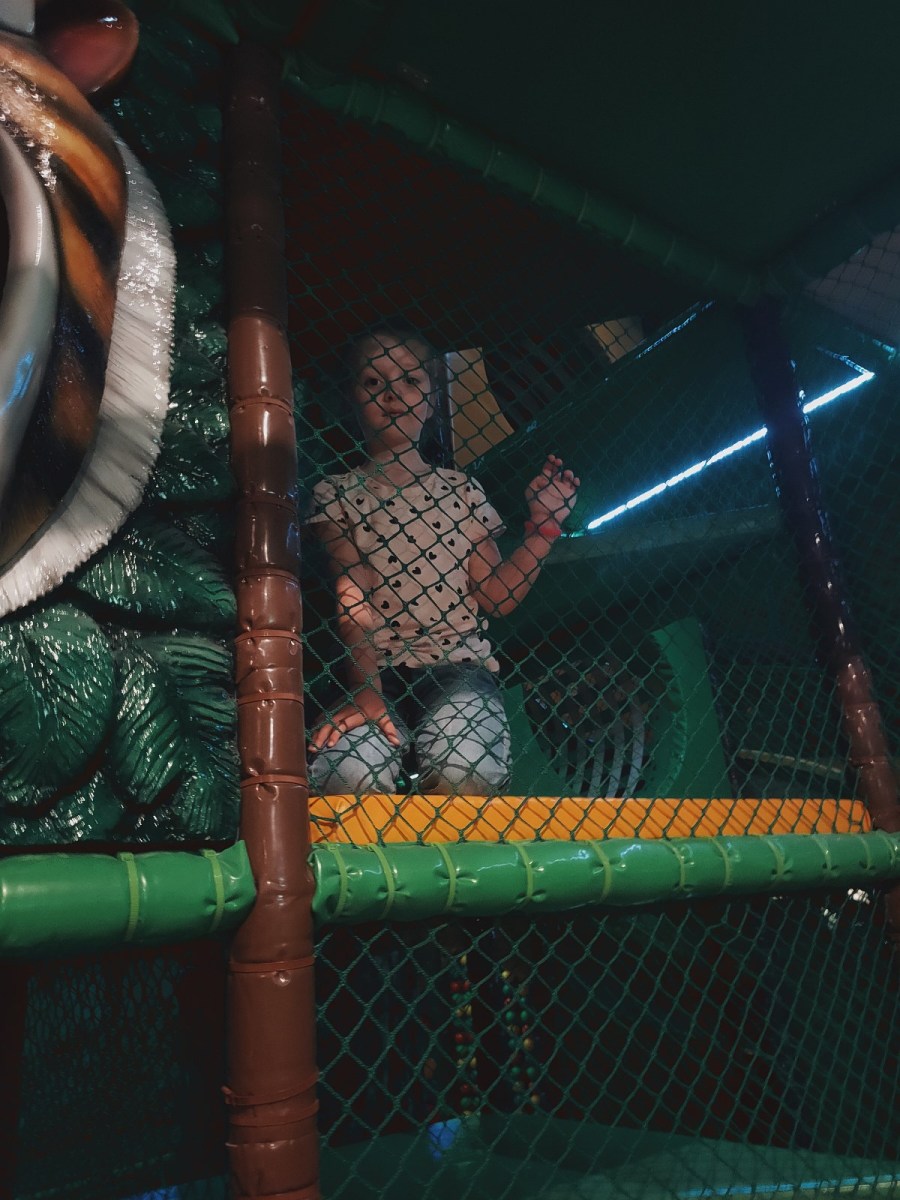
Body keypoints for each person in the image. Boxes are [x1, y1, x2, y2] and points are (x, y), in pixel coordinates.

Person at [307, 326, 579, 796]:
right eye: (374, 381)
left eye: (410, 380)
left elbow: (496, 596)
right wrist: (365, 689)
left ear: (432, 400)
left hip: (458, 666)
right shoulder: (337, 493)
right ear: (351, 399)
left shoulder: (462, 490)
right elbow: (353, 596)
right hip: (374, 667)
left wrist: (543, 529)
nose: (392, 393)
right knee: (347, 775)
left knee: (464, 774)